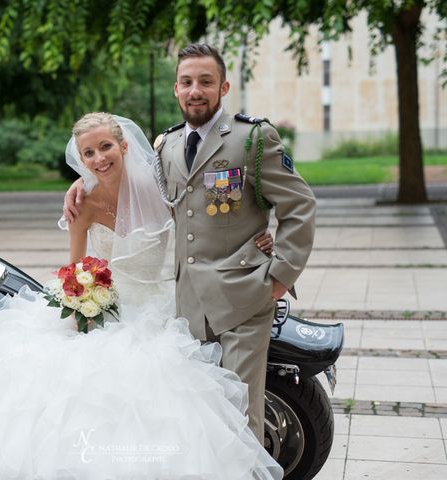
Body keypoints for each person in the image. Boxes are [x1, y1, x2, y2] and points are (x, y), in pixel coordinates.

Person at [0, 113, 283, 480]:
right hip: (104, 303)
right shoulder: (82, 202)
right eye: (88, 153)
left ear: (124, 146)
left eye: (105, 147)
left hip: (160, 303)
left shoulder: (161, 189)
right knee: (42, 369)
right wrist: (79, 299)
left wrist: (260, 235)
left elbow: (210, 217)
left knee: (151, 383)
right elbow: (74, 267)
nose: (98, 159)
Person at [64, 44, 317, 442]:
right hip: (185, 306)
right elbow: (135, 189)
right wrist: (83, 183)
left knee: (239, 417)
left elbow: (299, 204)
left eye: (205, 81)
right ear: (176, 90)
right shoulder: (167, 145)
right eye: (186, 82)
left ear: (224, 87)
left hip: (242, 296)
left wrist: (279, 275)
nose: (195, 90)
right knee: (201, 418)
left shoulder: (252, 138)